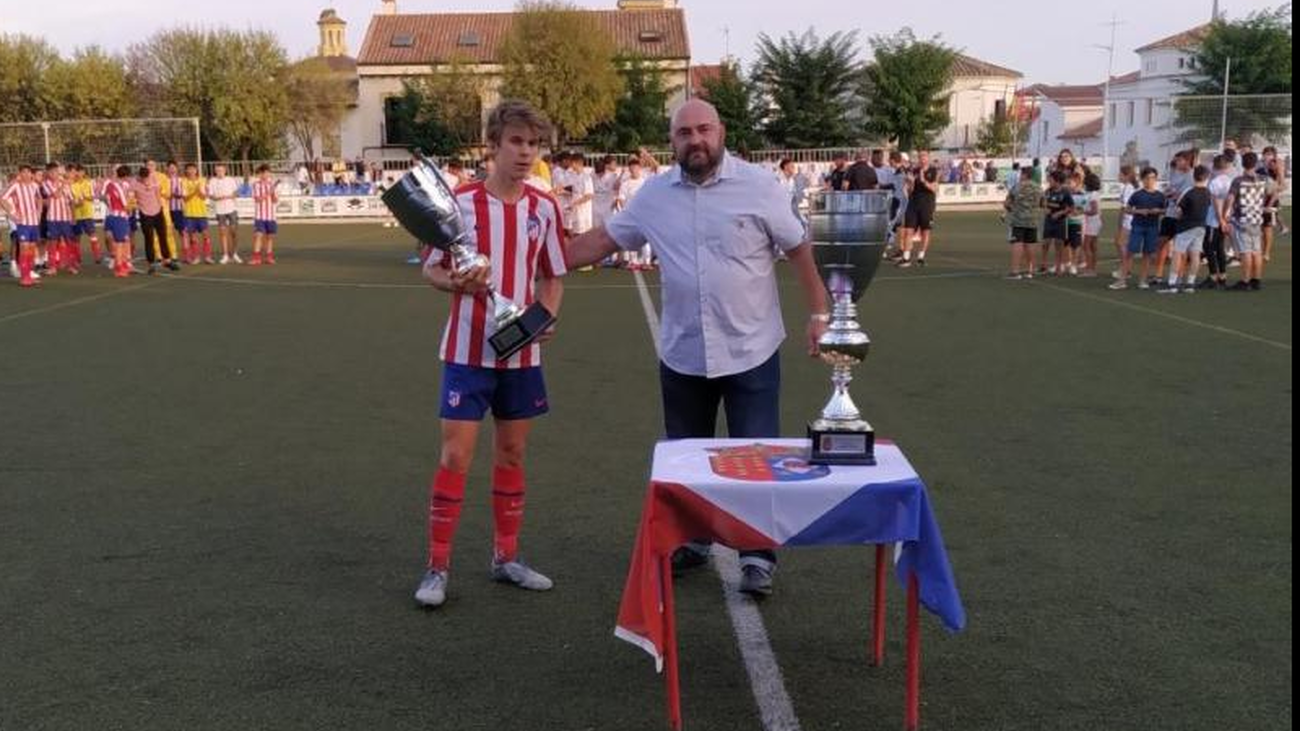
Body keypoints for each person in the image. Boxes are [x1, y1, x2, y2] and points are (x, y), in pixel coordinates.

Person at [564, 99, 830, 598]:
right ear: (673, 141)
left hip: (751, 347)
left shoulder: (759, 186)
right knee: (688, 457)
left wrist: (819, 314)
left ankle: (757, 556)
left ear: (721, 131)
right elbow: (602, 240)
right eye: (684, 133)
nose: (695, 140)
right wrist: (536, 259)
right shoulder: (654, 195)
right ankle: (696, 540)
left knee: (755, 457)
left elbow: (799, 249)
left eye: (703, 129)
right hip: (683, 351)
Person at [412, 100, 569, 609]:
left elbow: (554, 275)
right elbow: (431, 270)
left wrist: (542, 319)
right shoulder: (458, 203)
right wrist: (452, 281)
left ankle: (506, 558)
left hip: (521, 357)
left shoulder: (544, 208)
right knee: (456, 455)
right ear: (493, 147)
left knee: (513, 453)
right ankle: (437, 568)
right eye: (516, 142)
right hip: (466, 351)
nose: (526, 152)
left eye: (533, 144)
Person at [1223, 152, 1276, 291]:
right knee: (1256, 250)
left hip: (1242, 219)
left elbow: (1230, 198)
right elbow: (1275, 189)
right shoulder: (1263, 179)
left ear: (1242, 164)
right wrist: (1267, 205)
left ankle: (1245, 281)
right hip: (1257, 218)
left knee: (1246, 251)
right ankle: (1256, 280)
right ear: (1255, 163)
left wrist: (1225, 214)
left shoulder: (1238, 180)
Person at [1159, 165, 1212, 294]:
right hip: (1201, 226)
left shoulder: (1189, 191)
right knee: (1195, 254)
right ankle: (1190, 283)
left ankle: (1172, 284)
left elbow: (1178, 210)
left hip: (1186, 226)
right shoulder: (1207, 192)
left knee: (1178, 253)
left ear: (1194, 177)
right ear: (1206, 177)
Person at [1110, 168, 1165, 291]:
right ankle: (1122, 280)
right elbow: (1128, 209)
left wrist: (1158, 211)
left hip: (1152, 227)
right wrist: (1139, 211)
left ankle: (1142, 280)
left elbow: (1165, 210)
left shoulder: (1160, 196)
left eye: (1153, 178)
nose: (1150, 181)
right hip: (1137, 226)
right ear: (1142, 179)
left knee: (1148, 254)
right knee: (1130, 252)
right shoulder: (1137, 194)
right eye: (1147, 178)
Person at [1, 165, 45, 287]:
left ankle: (28, 274)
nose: (26, 174)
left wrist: (39, 212)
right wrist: (13, 214)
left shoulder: (35, 186)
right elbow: (2, 199)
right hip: (23, 223)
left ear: (31, 174)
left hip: (34, 222)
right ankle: (24, 277)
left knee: (31, 249)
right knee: (24, 248)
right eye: (23, 172)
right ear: (20, 174)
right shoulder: (15, 185)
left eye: (28, 172)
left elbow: (39, 199)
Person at [130, 164, 177, 274]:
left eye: (147, 177)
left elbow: (158, 193)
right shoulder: (134, 183)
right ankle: (151, 264)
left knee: (163, 236)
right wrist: (136, 205)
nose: (145, 180)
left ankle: (167, 260)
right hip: (145, 214)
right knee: (149, 239)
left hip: (157, 212)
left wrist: (159, 207)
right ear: (139, 177)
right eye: (143, 178)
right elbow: (131, 196)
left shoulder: (154, 179)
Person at [897, 152, 937, 268]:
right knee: (908, 230)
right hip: (913, 204)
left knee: (925, 231)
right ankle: (906, 257)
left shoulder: (933, 171)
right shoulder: (914, 171)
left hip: (927, 205)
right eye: (920, 157)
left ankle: (921, 257)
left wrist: (923, 180)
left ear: (928, 158)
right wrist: (910, 183)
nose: (922, 159)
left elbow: (934, 188)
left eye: (924, 157)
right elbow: (909, 191)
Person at [1200, 155, 1234, 290]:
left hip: (1214, 220)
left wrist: (1221, 219)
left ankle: (1213, 276)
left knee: (1208, 247)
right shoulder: (1231, 181)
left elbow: (1216, 203)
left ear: (1214, 167)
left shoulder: (1214, 182)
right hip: (1225, 218)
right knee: (1219, 247)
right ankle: (1222, 276)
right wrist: (1227, 218)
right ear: (1227, 167)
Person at [1003, 167, 1043, 280]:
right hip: (1033, 220)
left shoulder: (1017, 187)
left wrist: (1011, 209)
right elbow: (1043, 203)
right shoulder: (1039, 188)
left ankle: (1015, 271)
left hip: (1018, 220)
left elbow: (1007, 203)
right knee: (1030, 244)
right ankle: (1030, 271)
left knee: (1017, 243)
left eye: (1021, 174)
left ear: (1025, 175)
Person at [41, 163, 77, 275]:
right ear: (48, 173)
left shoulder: (65, 183)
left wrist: (73, 216)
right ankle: (52, 267)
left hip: (65, 217)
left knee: (69, 240)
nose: (54, 174)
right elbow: (55, 195)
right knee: (52, 242)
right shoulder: (46, 184)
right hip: (52, 217)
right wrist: (63, 184)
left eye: (55, 171)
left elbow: (71, 200)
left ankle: (71, 265)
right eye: (51, 172)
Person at [102, 166, 135, 279]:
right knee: (120, 243)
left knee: (124, 240)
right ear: (126, 176)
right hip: (119, 217)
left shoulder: (110, 185)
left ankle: (124, 263)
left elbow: (105, 198)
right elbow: (126, 204)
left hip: (112, 215)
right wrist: (132, 206)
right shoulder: (119, 186)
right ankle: (119, 267)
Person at [1042, 171, 1073, 277]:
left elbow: (1071, 207)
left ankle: (1059, 267)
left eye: (1050, 179)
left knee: (1059, 245)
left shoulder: (1065, 192)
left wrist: (1060, 213)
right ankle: (1043, 265)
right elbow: (1043, 202)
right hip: (1048, 221)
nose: (1048, 181)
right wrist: (1045, 208)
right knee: (1045, 243)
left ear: (1057, 181)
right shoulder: (1048, 191)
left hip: (1060, 222)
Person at [208, 164, 242, 264]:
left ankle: (235, 253)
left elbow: (237, 193)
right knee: (222, 233)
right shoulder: (212, 181)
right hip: (220, 210)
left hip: (232, 209)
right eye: (217, 170)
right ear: (215, 171)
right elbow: (211, 195)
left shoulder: (230, 180)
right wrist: (216, 198)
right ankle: (225, 255)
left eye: (221, 170)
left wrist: (230, 196)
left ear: (225, 170)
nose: (219, 172)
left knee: (233, 232)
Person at [180, 163, 211, 264]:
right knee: (193, 236)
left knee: (206, 235)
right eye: (189, 169)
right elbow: (185, 198)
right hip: (189, 213)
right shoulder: (184, 182)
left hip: (201, 212)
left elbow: (204, 197)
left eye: (193, 169)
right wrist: (195, 191)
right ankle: (196, 256)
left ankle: (207, 256)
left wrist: (199, 191)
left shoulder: (202, 180)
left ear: (196, 170)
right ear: (186, 171)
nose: (192, 171)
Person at [68, 165, 98, 267]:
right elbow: (71, 200)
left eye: (81, 171)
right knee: (76, 237)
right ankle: (77, 257)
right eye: (77, 172)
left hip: (87, 213)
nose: (78, 174)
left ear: (84, 172)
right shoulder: (72, 185)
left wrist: (86, 197)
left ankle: (97, 255)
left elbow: (93, 197)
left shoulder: (89, 183)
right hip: (77, 214)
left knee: (92, 234)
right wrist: (76, 203)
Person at [250, 165, 279, 266]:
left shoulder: (272, 185)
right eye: (264, 173)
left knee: (270, 237)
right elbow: (258, 199)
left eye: (268, 173)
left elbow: (275, 200)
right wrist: (268, 193)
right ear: (260, 174)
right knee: (258, 235)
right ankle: (256, 257)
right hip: (260, 216)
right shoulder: (256, 185)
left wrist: (273, 194)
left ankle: (269, 257)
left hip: (271, 216)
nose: (266, 175)